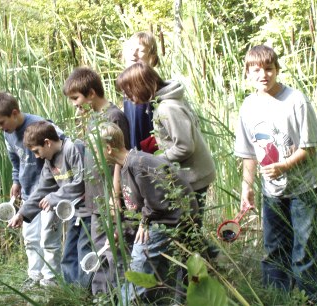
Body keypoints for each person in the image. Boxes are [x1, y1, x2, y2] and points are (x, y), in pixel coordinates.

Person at [234, 45, 317, 304]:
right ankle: (276, 296)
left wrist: (283, 165)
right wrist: (247, 187)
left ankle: (308, 298)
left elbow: (310, 147)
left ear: (277, 70)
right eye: (256, 70)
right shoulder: (248, 106)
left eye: (268, 69)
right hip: (272, 190)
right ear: (248, 74)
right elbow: (248, 153)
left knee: (305, 248)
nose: (263, 75)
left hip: (305, 187)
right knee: (274, 247)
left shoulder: (296, 100)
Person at [95, 122, 198, 303]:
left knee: (139, 263)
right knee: (160, 271)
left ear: (109, 149)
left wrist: (145, 222)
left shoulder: (139, 164)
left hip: (169, 219)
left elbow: (157, 201)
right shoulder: (128, 165)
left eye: (97, 150)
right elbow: (138, 204)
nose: (95, 155)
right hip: (158, 217)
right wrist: (124, 227)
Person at [116, 62, 216, 221]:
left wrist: (156, 160)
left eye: (129, 91)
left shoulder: (167, 107)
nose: (127, 97)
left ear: (141, 86)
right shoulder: (163, 102)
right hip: (191, 174)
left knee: (190, 227)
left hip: (194, 177)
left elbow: (185, 147)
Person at [0, 91, 63, 289]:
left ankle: (51, 279)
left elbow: (62, 146)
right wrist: (16, 181)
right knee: (31, 239)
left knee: (48, 239)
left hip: (48, 195)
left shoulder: (38, 125)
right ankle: (34, 275)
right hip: (29, 193)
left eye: (1, 122)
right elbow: (15, 160)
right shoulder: (8, 134)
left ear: (14, 113)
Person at [63, 67, 130, 295]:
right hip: (94, 197)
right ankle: (101, 295)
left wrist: (115, 196)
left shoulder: (114, 117)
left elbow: (121, 159)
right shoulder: (93, 118)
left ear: (91, 93)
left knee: (110, 252)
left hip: (107, 197)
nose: (74, 104)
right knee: (99, 250)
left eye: (76, 98)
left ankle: (111, 296)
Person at [7, 121, 92, 288]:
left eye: (37, 151)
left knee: (84, 251)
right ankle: (72, 292)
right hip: (74, 213)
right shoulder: (49, 161)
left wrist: (54, 197)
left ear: (47, 142)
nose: (37, 157)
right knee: (69, 254)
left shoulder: (73, 148)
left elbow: (81, 182)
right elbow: (41, 189)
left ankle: (86, 291)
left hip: (89, 211)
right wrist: (22, 213)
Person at [121, 31, 159, 153]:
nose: (133, 54)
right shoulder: (128, 87)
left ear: (152, 57)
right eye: (131, 49)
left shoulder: (152, 87)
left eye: (140, 50)